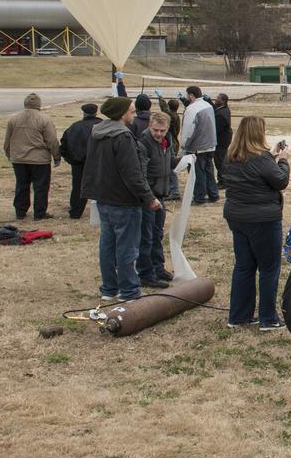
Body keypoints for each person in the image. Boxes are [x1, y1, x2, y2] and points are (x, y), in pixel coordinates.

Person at [83, 97, 161, 302]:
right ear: (121, 114)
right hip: (124, 202)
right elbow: (132, 174)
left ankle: (109, 289)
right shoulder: (123, 137)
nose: (134, 116)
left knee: (107, 245)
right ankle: (129, 291)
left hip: (104, 199)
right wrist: (149, 198)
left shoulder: (97, 133)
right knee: (127, 248)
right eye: (132, 112)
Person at [221, 117, 291, 330]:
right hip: (262, 219)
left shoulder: (231, 157)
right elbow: (280, 180)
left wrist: (272, 156)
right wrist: (283, 160)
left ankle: (238, 316)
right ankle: (268, 318)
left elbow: (256, 170)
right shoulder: (261, 159)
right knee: (269, 268)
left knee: (244, 266)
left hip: (237, 217)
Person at [3, 93, 60, 220]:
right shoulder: (44, 119)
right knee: (40, 187)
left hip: (18, 159)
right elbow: (52, 140)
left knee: (21, 185)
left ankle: (20, 211)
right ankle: (39, 213)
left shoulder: (13, 119)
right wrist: (56, 156)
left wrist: (9, 154)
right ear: (39, 105)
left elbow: (7, 140)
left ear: (25, 104)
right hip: (39, 160)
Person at [136, 112, 176, 287]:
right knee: (147, 236)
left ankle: (158, 267)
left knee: (157, 234)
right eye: (155, 130)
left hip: (161, 195)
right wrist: (149, 197)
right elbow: (141, 174)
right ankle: (145, 273)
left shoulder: (167, 142)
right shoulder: (143, 143)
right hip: (149, 198)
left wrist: (187, 160)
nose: (159, 134)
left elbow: (170, 163)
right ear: (149, 127)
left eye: (162, 130)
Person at [60, 103, 100, 219]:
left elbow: (64, 146)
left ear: (84, 113)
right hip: (98, 163)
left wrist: (71, 160)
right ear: (96, 113)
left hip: (78, 163)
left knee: (78, 187)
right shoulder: (102, 126)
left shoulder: (74, 127)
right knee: (100, 186)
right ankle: (100, 213)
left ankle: (75, 212)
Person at [180, 86, 218, 205]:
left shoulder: (192, 109)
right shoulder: (208, 106)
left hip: (198, 147)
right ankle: (213, 194)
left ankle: (199, 197)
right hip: (211, 145)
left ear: (191, 95)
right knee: (209, 171)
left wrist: (184, 145)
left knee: (197, 172)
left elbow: (188, 130)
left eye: (187, 95)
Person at [213, 93, 233, 189]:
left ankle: (223, 181)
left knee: (219, 160)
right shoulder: (224, 109)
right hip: (224, 139)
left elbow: (217, 129)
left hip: (221, 140)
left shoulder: (221, 114)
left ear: (223, 101)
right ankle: (223, 179)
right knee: (221, 159)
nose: (215, 100)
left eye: (218, 99)